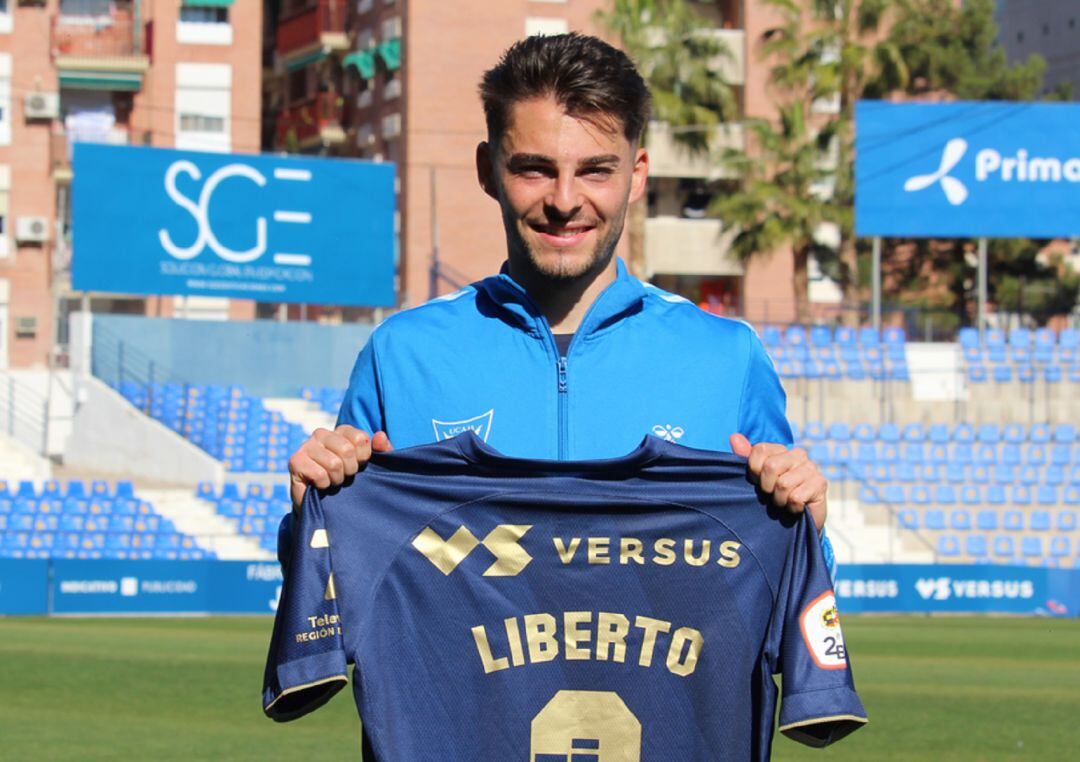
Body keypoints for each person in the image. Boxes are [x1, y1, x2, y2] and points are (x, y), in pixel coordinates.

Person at [283, 33, 831, 562]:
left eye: (595, 170)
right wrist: (314, 513)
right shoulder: (402, 355)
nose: (564, 201)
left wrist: (808, 522)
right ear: (488, 170)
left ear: (636, 175)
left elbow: (790, 598)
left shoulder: (727, 357)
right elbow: (340, 589)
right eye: (535, 169)